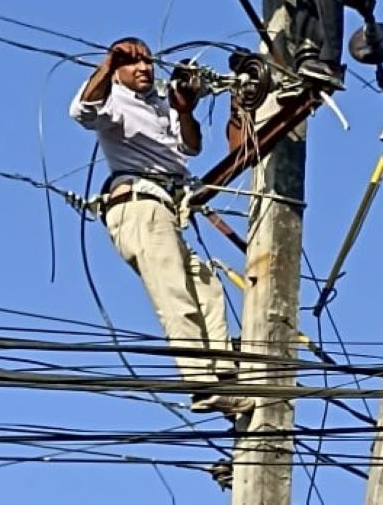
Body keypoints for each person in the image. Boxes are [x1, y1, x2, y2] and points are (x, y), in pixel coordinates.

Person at [69, 37, 254, 417]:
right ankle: (201, 383)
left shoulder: (160, 103)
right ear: (118, 71)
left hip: (167, 209)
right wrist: (107, 64)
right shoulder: (113, 101)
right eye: (132, 63)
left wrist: (186, 110)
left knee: (207, 288)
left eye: (147, 62)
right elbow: (81, 112)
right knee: (177, 296)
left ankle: (223, 378)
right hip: (139, 207)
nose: (143, 68)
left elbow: (190, 148)